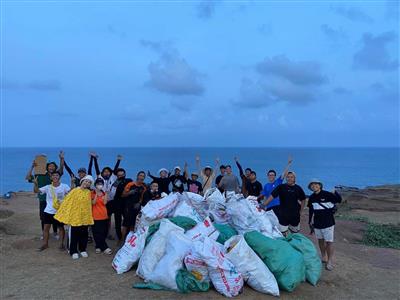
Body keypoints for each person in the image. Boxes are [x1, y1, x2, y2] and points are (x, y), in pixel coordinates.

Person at [26, 152, 65, 239]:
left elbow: (61, 169)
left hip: (55, 200)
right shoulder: (40, 175)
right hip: (43, 199)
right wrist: (32, 167)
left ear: (55, 168)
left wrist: (61, 159)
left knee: (55, 216)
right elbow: (28, 177)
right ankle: (44, 233)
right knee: (43, 217)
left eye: (53, 166)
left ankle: (55, 233)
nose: (51, 167)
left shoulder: (55, 176)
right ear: (47, 167)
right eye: (50, 166)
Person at [54, 175, 95, 259]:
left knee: (84, 234)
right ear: (82, 181)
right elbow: (67, 201)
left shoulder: (88, 192)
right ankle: (73, 251)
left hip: (85, 217)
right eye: (85, 181)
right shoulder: (75, 190)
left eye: (89, 182)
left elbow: (88, 205)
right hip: (75, 217)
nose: (87, 183)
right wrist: (60, 203)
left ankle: (82, 249)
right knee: (74, 235)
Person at [308, 179, 342, 271]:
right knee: (320, 241)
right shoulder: (311, 197)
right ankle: (324, 256)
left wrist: (335, 192)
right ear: (310, 187)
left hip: (328, 223)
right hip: (317, 223)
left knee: (329, 242)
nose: (314, 186)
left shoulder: (327, 194)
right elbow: (311, 211)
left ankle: (330, 261)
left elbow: (339, 200)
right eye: (312, 185)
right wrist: (310, 223)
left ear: (320, 185)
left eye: (316, 184)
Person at [90, 152, 122, 239]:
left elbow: (115, 170)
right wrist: (95, 159)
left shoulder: (113, 177)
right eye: (105, 171)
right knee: (103, 218)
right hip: (101, 201)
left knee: (110, 218)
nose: (106, 173)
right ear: (102, 172)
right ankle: (102, 233)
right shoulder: (99, 178)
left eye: (108, 172)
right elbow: (96, 168)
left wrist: (118, 160)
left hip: (111, 201)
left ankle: (108, 233)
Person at [37, 171, 70, 251]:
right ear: (51, 177)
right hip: (48, 211)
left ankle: (61, 244)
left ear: (59, 177)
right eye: (53, 175)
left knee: (61, 228)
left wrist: (72, 183)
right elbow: (36, 191)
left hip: (59, 211)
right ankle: (45, 244)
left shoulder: (64, 186)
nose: (55, 176)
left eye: (57, 175)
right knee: (46, 228)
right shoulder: (48, 187)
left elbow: (71, 193)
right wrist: (35, 183)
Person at [121, 171, 147, 241]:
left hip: (136, 208)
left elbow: (142, 198)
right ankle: (122, 240)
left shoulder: (144, 188)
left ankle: (129, 240)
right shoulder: (130, 184)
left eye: (143, 176)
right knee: (125, 224)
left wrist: (139, 203)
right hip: (128, 207)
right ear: (137, 176)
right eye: (140, 175)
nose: (141, 177)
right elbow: (123, 195)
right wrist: (129, 193)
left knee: (133, 224)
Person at [110, 168, 132, 242]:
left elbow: (132, 190)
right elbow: (112, 193)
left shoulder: (129, 180)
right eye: (119, 175)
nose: (121, 176)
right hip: (117, 204)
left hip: (126, 204)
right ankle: (119, 237)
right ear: (117, 176)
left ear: (125, 174)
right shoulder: (115, 182)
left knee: (127, 220)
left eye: (122, 175)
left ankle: (126, 236)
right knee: (117, 222)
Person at [91, 178, 112, 255]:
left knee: (103, 232)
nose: (100, 185)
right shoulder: (92, 193)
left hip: (103, 215)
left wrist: (106, 193)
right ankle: (103, 247)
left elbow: (105, 203)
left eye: (101, 184)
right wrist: (96, 193)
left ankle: (99, 246)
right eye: (98, 184)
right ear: (95, 185)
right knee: (96, 232)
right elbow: (93, 203)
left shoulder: (104, 193)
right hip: (95, 216)